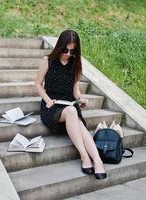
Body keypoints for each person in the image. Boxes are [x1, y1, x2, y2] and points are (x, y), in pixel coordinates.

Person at [35, 30, 107, 180]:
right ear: (59, 46)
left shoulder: (75, 64)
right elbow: (37, 85)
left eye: (72, 51)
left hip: (69, 104)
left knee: (75, 117)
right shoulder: (47, 61)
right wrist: (47, 99)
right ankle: (84, 156)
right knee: (71, 112)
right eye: (65, 50)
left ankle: (98, 161)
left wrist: (81, 99)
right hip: (52, 107)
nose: (68, 53)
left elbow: (75, 89)